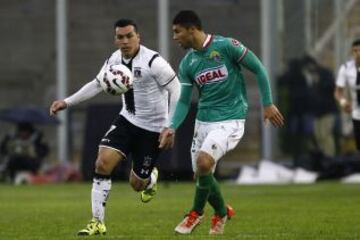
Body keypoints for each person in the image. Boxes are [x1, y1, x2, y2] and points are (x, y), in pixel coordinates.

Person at [49, 19, 180, 236]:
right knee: (102, 163)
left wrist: (170, 126)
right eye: (120, 37)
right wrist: (67, 102)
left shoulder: (153, 62)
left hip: (153, 128)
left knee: (137, 184)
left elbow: (176, 90)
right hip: (127, 120)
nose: (125, 41)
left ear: (139, 37)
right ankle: (97, 222)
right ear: (115, 39)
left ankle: (150, 179)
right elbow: (97, 84)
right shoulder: (113, 60)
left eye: (130, 36)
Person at [159, 10, 284, 235]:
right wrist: (172, 126)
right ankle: (222, 211)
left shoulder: (227, 46)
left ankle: (195, 213)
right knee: (202, 174)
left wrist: (268, 103)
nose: (175, 37)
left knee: (204, 163)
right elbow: (185, 102)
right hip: (203, 122)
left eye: (177, 32)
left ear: (192, 29)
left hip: (231, 119)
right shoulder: (187, 63)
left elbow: (259, 69)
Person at [335, 39, 360, 151]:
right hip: (356, 112)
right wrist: (343, 102)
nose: (358, 54)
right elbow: (338, 91)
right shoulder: (346, 68)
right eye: (355, 51)